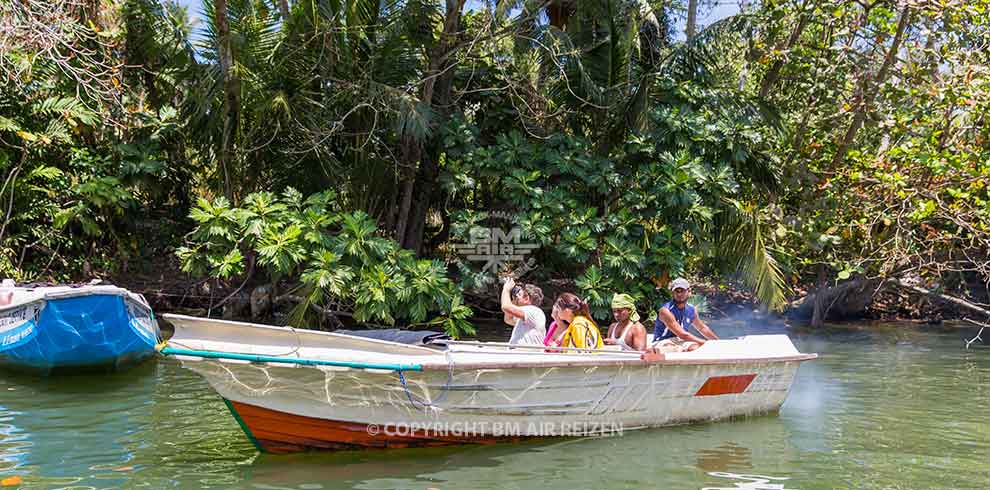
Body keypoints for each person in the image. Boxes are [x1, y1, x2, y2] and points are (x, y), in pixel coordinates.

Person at [650, 278, 718, 352]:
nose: (679, 294)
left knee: (695, 348)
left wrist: (718, 342)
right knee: (670, 347)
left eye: (682, 291)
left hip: (681, 341)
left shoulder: (692, 309)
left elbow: (702, 328)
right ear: (672, 293)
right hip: (663, 341)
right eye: (677, 291)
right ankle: (653, 351)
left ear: (689, 292)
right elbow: (683, 335)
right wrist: (707, 344)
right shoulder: (665, 311)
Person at [501, 278, 546, 345]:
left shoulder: (533, 310)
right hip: (521, 352)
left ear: (526, 298)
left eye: (519, 295)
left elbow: (505, 307)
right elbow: (508, 319)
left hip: (526, 353)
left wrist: (506, 289)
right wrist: (514, 301)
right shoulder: (528, 316)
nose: (516, 297)